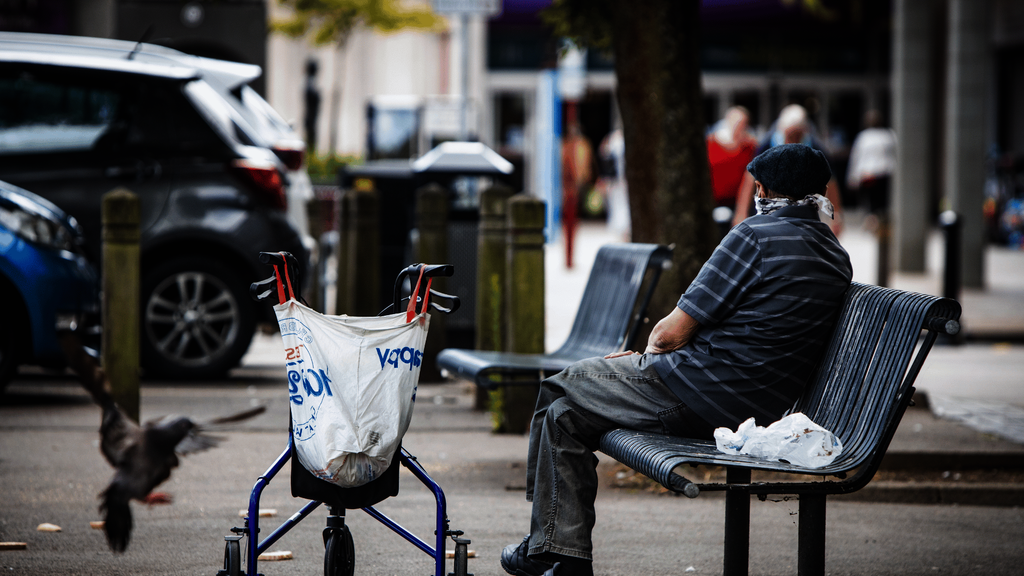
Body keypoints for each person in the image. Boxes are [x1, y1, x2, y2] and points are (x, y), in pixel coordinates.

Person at [500, 144, 853, 576]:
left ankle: (543, 546)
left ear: (762, 189)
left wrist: (640, 362)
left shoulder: (754, 236)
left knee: (560, 384)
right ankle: (563, 555)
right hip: (758, 406)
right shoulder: (836, 256)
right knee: (565, 414)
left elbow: (669, 334)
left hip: (697, 390)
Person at [732, 104, 844, 236]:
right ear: (782, 130)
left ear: (805, 131)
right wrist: (741, 213)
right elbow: (750, 179)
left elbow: (831, 182)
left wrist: (836, 216)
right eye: (790, 135)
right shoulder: (767, 145)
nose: (793, 140)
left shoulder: (816, 149)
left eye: (798, 135)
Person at [846, 109, 897, 217]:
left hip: (870, 175)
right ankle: (879, 221)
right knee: (882, 203)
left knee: (872, 203)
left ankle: (874, 220)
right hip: (883, 174)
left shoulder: (864, 137)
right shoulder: (889, 135)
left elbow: (857, 158)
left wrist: (853, 178)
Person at [707, 106, 758, 208]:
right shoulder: (711, 143)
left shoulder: (750, 147)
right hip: (714, 200)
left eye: (743, 124)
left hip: (738, 202)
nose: (739, 127)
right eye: (736, 123)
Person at [561, 117, 594, 268]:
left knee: (572, 223)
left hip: (573, 189)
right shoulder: (569, 146)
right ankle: (568, 259)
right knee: (568, 224)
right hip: (570, 189)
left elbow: (584, 167)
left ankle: (570, 259)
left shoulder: (579, 146)